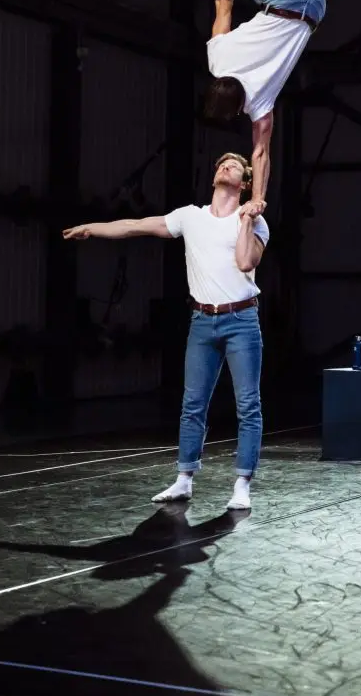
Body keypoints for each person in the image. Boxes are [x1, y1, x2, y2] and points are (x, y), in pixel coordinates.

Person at [62, 152, 268, 511]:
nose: (225, 167)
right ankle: (184, 479)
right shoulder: (190, 217)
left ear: (245, 183)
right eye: (222, 164)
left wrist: (248, 218)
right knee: (193, 403)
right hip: (202, 321)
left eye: (234, 166)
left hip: (241, 320)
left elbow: (245, 261)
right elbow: (136, 225)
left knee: (248, 404)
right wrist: (94, 228)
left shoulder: (255, 222)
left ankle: (242, 485)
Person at [98, 0, 326, 217]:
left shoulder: (259, 106)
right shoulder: (218, 63)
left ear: (238, 109)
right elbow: (223, 4)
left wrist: (258, 198)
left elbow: (260, 153)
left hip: (316, 7)